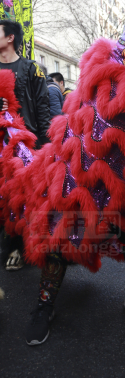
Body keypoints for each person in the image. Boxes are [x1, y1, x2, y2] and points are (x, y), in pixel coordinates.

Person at [0, 20, 50, 271]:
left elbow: (42, 106)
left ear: (10, 38)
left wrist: (45, 144)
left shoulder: (31, 68)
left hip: (24, 145)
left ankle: (17, 247)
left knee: (19, 198)